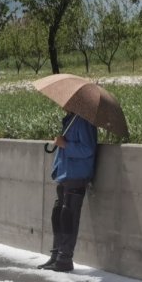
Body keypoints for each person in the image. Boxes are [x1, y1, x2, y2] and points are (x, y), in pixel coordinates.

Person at [39, 112, 98, 272]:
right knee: (58, 214)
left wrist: (65, 145)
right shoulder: (71, 119)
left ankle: (65, 258)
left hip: (76, 175)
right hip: (64, 174)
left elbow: (88, 149)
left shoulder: (83, 121)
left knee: (68, 216)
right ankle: (56, 255)